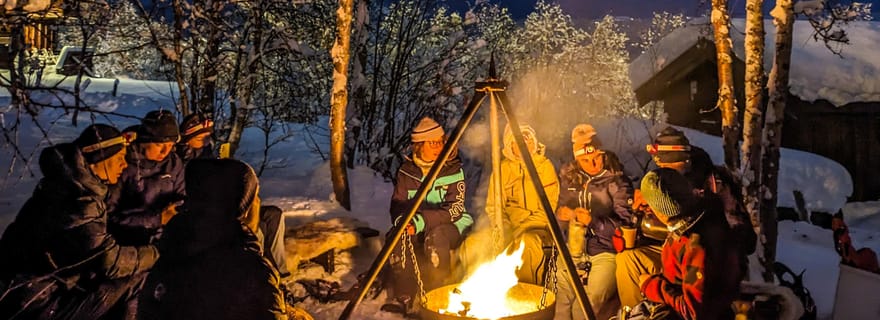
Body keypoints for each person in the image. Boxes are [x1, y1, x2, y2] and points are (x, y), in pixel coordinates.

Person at [0, 124, 159, 319]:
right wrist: (155, 253)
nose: (124, 165)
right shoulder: (80, 202)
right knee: (136, 279)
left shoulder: (63, 185)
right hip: (37, 304)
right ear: (99, 160)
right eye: (118, 159)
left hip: (22, 292)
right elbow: (109, 261)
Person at [616, 127, 756, 309]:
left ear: (684, 161)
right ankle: (637, 313)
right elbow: (670, 228)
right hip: (675, 252)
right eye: (661, 169)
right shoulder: (665, 181)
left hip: (708, 262)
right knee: (628, 259)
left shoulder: (715, 184)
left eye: (669, 170)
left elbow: (747, 242)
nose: (665, 175)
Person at [137, 159, 287, 320]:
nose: (258, 202)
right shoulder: (250, 269)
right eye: (254, 196)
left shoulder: (170, 251)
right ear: (242, 205)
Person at [174, 112, 291, 278]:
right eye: (201, 138)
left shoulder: (207, 156)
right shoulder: (181, 162)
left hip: (228, 205)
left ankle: (280, 272)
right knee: (253, 228)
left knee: (274, 215)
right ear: (188, 138)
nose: (206, 142)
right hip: (213, 214)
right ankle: (258, 274)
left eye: (208, 137)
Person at [382, 117, 473, 314]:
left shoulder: (453, 169)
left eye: (440, 141)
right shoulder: (407, 172)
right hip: (416, 224)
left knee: (436, 237)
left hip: (452, 224)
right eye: (433, 142)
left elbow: (454, 209)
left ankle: (435, 295)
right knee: (397, 237)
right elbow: (398, 204)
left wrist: (422, 222)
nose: (438, 146)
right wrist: (402, 222)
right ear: (419, 146)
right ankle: (403, 295)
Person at [636, 168, 744, 319]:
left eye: (651, 207)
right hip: (683, 292)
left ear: (661, 211)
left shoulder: (696, 245)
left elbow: (694, 312)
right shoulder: (701, 213)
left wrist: (653, 286)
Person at [554, 124, 633, 320]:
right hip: (574, 246)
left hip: (606, 250)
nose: (593, 163)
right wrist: (563, 216)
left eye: (596, 157)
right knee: (561, 295)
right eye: (585, 160)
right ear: (577, 159)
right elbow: (559, 217)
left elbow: (625, 225)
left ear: (602, 153)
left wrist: (592, 221)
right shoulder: (571, 179)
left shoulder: (617, 181)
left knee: (585, 306)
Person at [469, 123, 559, 285]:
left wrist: (522, 229)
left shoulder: (544, 167)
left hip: (536, 228)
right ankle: (468, 297)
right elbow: (494, 207)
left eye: (529, 141)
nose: (525, 146)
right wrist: (504, 227)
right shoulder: (502, 170)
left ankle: (524, 295)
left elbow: (548, 208)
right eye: (519, 142)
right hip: (508, 227)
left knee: (527, 244)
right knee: (473, 244)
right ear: (511, 145)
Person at [108, 109, 186, 246]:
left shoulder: (173, 163)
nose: (165, 151)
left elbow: (180, 200)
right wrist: (157, 219)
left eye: (170, 146)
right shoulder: (122, 164)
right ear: (144, 141)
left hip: (165, 238)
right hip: (127, 240)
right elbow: (110, 216)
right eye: (159, 145)